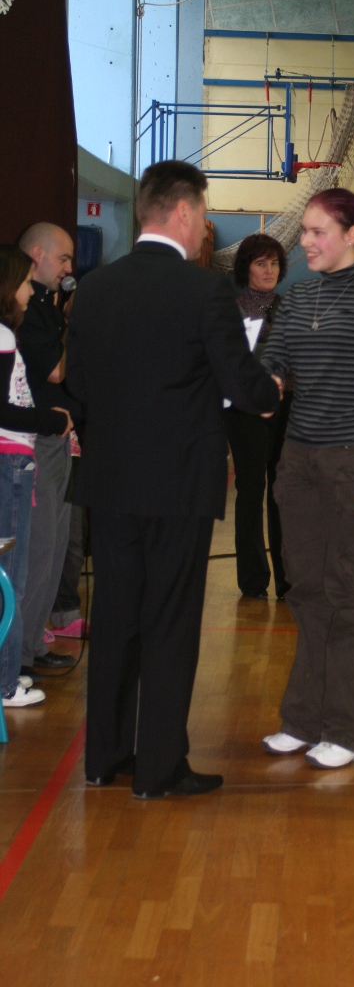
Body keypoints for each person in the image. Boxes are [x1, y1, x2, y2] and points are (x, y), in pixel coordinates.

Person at [65, 160, 280, 799]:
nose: (204, 225)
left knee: (115, 617)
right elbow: (240, 382)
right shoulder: (204, 291)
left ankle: (104, 758)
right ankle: (158, 768)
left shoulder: (95, 288)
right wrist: (269, 390)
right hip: (177, 482)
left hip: (110, 481)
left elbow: (80, 384)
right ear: (184, 211)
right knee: (169, 621)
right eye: (203, 213)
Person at [260, 188, 354, 769]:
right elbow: (273, 359)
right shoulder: (299, 297)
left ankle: (348, 730)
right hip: (299, 460)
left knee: (350, 592)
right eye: (303, 231)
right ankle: (303, 720)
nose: (304, 242)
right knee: (305, 589)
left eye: (316, 231)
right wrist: (266, 380)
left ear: (352, 234)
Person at [0, 245, 72, 709]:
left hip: (16, 459)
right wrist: (49, 419)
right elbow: (5, 409)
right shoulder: (4, 336)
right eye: (25, 282)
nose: (30, 291)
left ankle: (9, 674)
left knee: (16, 576)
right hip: (10, 460)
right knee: (12, 578)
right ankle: (7, 681)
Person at [16, 223, 79, 678]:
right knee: (38, 549)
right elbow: (55, 370)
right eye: (63, 259)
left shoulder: (48, 307)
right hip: (33, 442)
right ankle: (17, 656)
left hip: (58, 438)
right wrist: (79, 327)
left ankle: (34, 643)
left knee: (56, 547)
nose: (69, 269)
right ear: (37, 254)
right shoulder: (29, 313)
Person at [225, 233, 291, 600]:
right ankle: (252, 580)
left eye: (274, 263)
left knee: (283, 491)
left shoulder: (290, 308)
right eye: (260, 263)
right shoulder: (231, 310)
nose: (269, 270)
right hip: (246, 410)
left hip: (287, 406)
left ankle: (288, 579)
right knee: (251, 490)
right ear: (245, 268)